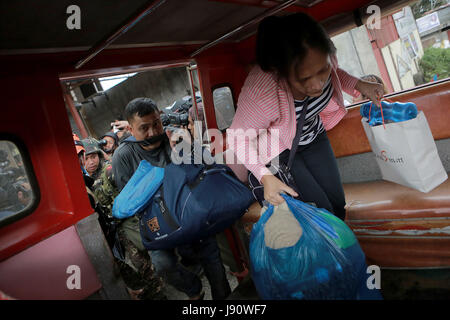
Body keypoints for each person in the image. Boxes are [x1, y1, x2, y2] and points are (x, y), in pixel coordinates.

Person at [227, 13, 384, 220]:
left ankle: (341, 248)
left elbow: (336, 73)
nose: (317, 85)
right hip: (278, 151)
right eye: (304, 79)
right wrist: (264, 177)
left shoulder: (324, 57)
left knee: (337, 204)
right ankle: (334, 249)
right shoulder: (264, 89)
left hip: (313, 136)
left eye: (322, 71)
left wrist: (358, 84)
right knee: (321, 213)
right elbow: (236, 138)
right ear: (281, 73)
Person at [112, 97, 231, 300]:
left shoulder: (174, 138)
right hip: (156, 220)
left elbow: (205, 169)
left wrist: (186, 149)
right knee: (163, 265)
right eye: (144, 128)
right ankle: (194, 289)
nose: (153, 132)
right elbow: (130, 199)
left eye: (156, 124)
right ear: (131, 130)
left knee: (211, 257)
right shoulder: (123, 156)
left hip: (190, 211)